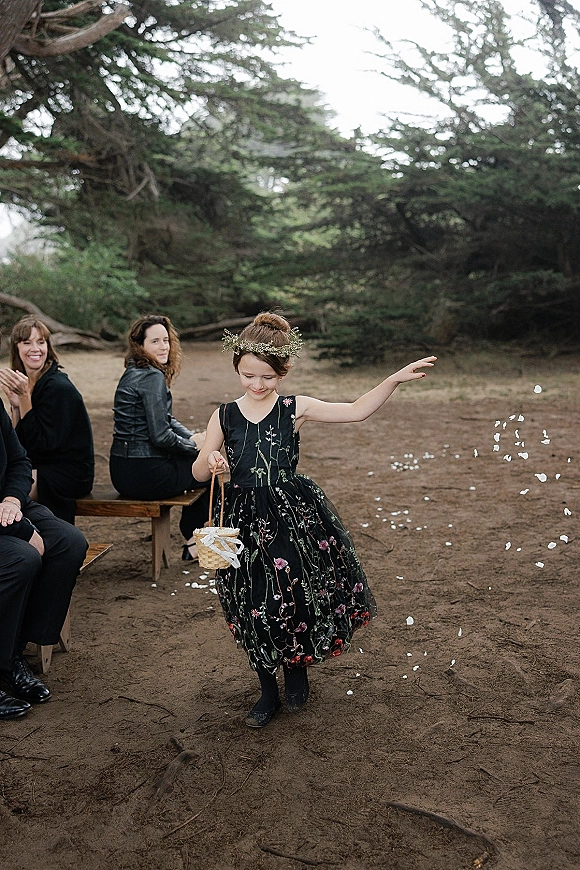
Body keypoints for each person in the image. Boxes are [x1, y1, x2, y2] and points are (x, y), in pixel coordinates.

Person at [192, 312, 436, 728]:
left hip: (292, 517)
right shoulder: (224, 415)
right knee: (252, 604)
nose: (256, 384)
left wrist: (392, 380)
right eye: (248, 375)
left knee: (293, 596)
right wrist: (212, 459)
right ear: (237, 367)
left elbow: (357, 410)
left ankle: (296, 671)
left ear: (282, 373)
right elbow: (198, 473)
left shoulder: (294, 408)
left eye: (267, 376)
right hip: (243, 520)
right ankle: (267, 690)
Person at [0, 388, 88, 719]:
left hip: (9, 505)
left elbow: (20, 460)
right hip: (6, 520)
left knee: (68, 542)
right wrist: (21, 530)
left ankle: (15, 654)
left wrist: (12, 500)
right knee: (22, 558)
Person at [109, 314, 209, 560]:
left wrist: (193, 438)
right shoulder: (151, 376)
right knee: (207, 470)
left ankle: (193, 541)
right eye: (155, 341)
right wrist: (194, 449)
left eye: (166, 340)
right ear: (140, 345)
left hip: (121, 472)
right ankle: (193, 543)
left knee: (199, 461)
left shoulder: (133, 371)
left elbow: (165, 419)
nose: (164, 346)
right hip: (144, 474)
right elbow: (161, 436)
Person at [0, 316, 94, 525]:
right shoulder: (31, 383)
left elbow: (41, 446)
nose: (36, 348)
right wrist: (16, 406)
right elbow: (19, 444)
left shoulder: (57, 387)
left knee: (10, 489)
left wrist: (25, 398)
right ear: (16, 347)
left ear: (48, 346)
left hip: (69, 473)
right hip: (42, 464)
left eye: (41, 342)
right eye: (27, 342)